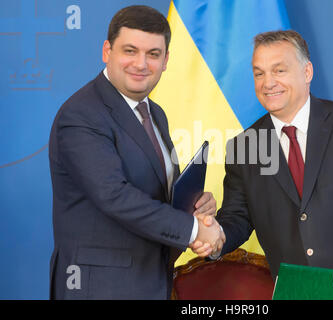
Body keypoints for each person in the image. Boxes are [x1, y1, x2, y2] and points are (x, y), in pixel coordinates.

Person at [194, 30, 333, 299]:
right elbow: (238, 220)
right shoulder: (244, 148)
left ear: (307, 72)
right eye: (259, 73)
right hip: (301, 293)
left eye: (279, 70)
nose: (268, 83)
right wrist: (213, 235)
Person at [49, 5, 222, 300]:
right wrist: (193, 230)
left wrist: (195, 208)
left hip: (151, 280)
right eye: (130, 50)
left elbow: (159, 192)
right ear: (107, 51)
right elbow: (115, 196)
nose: (141, 64)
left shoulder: (155, 113)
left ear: (166, 60)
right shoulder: (81, 114)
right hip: (99, 287)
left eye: (153, 54)